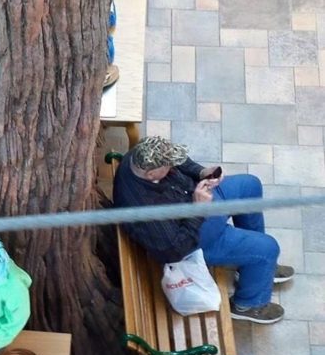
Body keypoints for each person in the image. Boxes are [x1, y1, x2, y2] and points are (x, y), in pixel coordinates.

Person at [113, 136, 294, 324]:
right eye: (167, 167)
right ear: (151, 175)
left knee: (250, 185)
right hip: (194, 237)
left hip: (196, 203)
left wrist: (201, 172)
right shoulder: (145, 210)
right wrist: (198, 210)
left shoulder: (142, 155)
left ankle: (255, 267)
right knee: (267, 248)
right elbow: (175, 250)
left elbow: (179, 160)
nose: (172, 167)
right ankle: (249, 305)